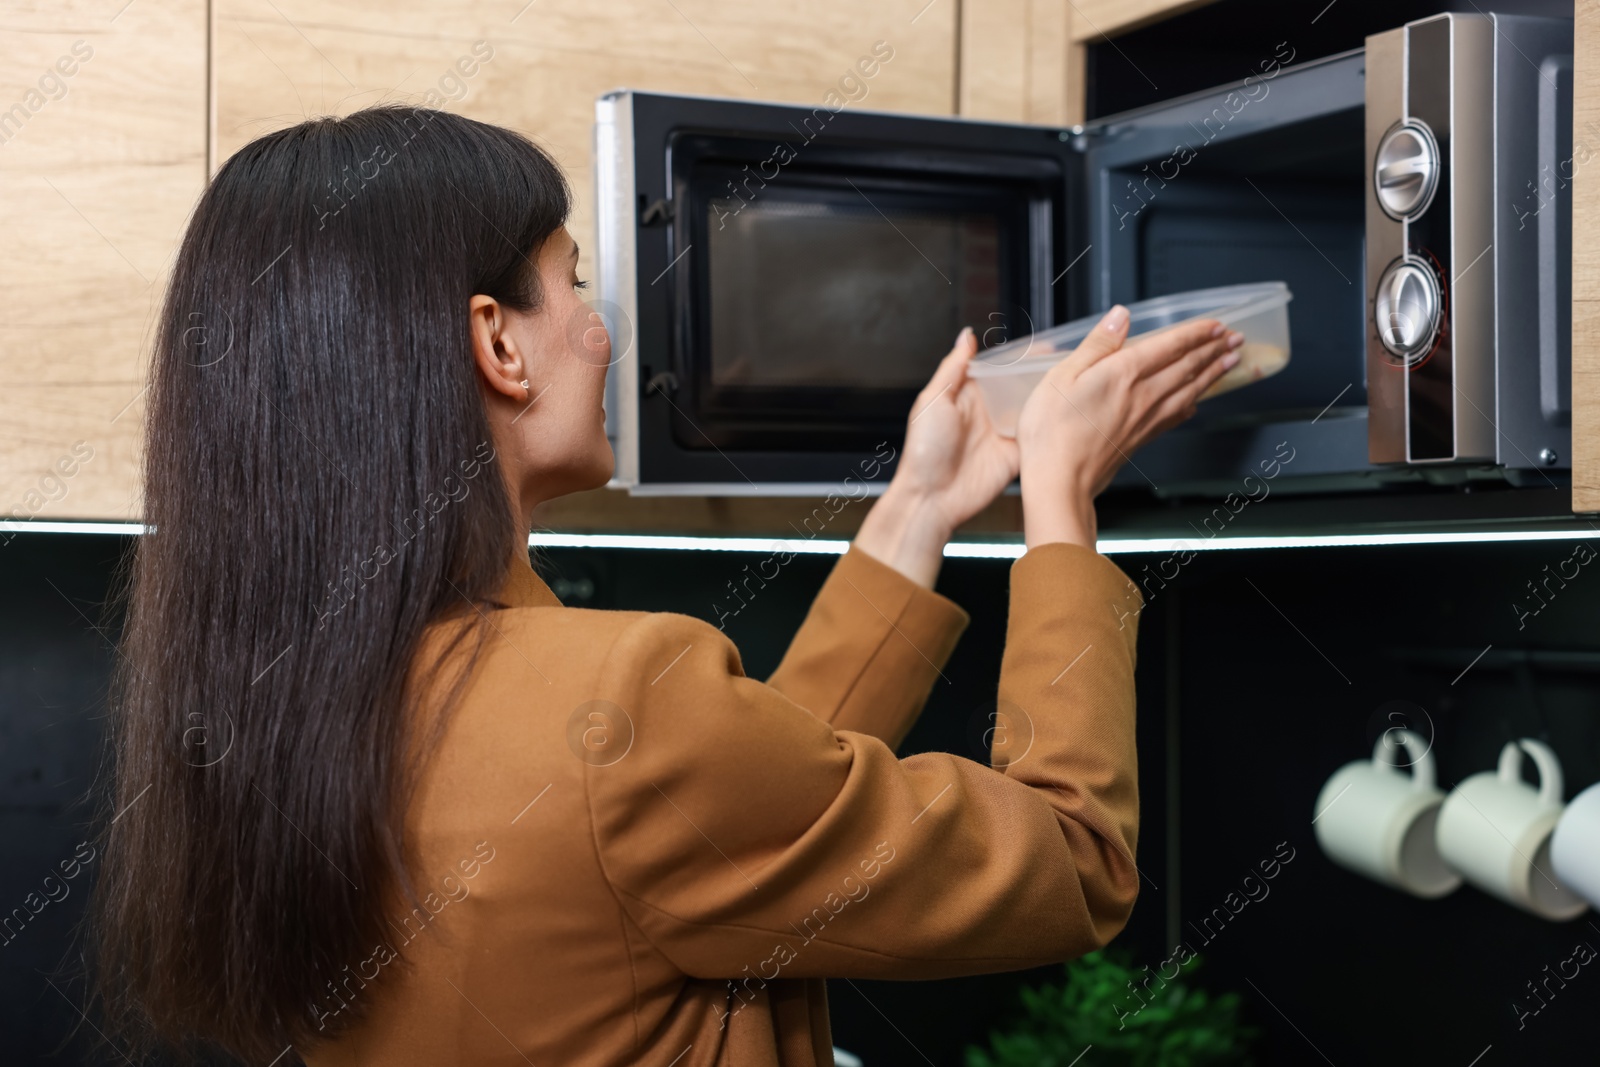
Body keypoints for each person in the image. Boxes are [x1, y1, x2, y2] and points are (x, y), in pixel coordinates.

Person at [90, 106, 1243, 1067]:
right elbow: (1070, 857)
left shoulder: (287, 694)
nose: (601, 332)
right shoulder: (622, 695)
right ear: (497, 344)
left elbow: (733, 808)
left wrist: (921, 505)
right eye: (575, 284)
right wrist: (1061, 500)